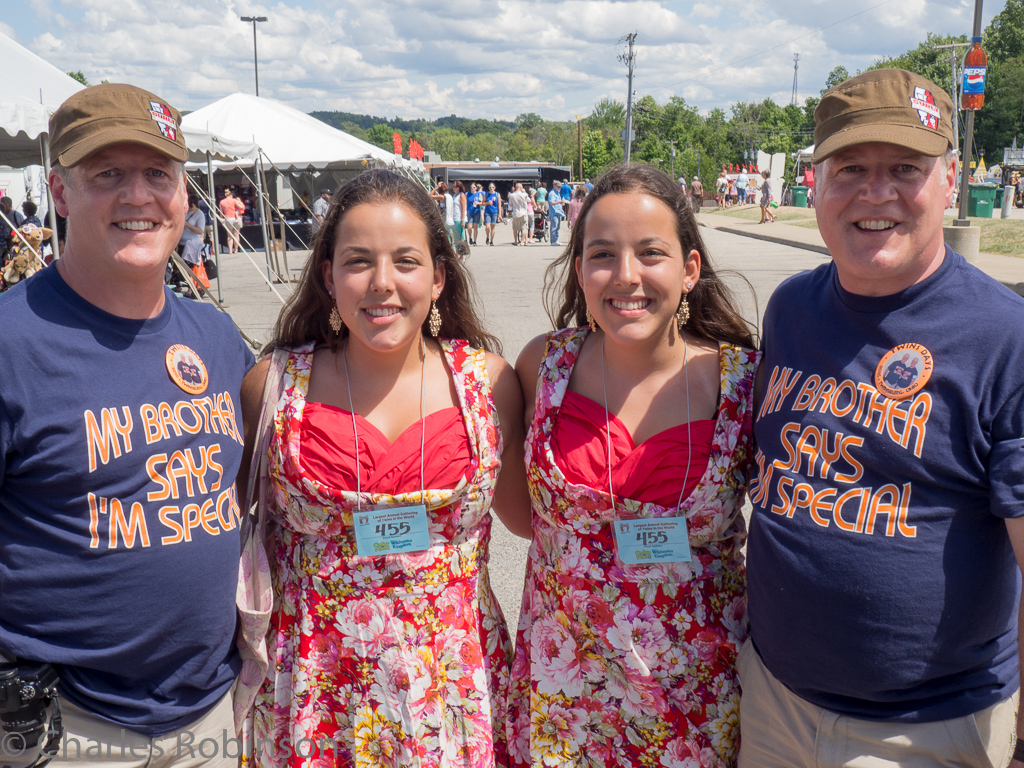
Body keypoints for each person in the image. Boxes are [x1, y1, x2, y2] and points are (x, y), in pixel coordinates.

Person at [743, 68, 1024, 768]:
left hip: (926, 726)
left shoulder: (1004, 337)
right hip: (772, 698)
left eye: (905, 168)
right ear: (815, 183)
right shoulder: (791, 307)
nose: (877, 192)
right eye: (851, 169)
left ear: (951, 179)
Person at [240, 169, 532, 768]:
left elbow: (538, 523)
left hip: (456, 685)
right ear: (327, 275)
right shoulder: (272, 386)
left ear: (438, 275)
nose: (382, 284)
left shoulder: (489, 383)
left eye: (405, 260)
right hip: (318, 692)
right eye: (357, 261)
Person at [0, 83, 253, 766]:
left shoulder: (215, 335)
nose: (138, 196)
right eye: (107, 174)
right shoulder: (12, 342)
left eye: (157, 174)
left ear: (184, 193)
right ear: (59, 191)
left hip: (208, 717)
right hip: (70, 726)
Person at [508, 164, 759, 767]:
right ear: (579, 271)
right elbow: (519, 519)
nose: (626, 276)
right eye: (602, 255)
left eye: (651, 253)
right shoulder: (542, 366)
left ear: (689, 269)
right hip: (561, 694)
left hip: (697, 699)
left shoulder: (745, 382)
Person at [219, 186, 245, 254]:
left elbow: (221, 213)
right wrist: (241, 208)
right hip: (236, 218)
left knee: (229, 236)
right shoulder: (234, 200)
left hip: (228, 218)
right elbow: (241, 207)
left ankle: (230, 250)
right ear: (231, 195)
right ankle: (236, 250)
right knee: (236, 234)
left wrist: (222, 219)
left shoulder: (222, 202)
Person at [547, 179, 564, 246]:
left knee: (557, 227)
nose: (559, 188)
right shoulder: (552, 193)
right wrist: (559, 202)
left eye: (560, 187)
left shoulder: (557, 193)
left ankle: (556, 240)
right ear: (554, 186)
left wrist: (561, 209)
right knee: (554, 227)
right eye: (558, 187)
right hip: (554, 213)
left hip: (558, 212)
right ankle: (553, 241)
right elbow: (551, 203)